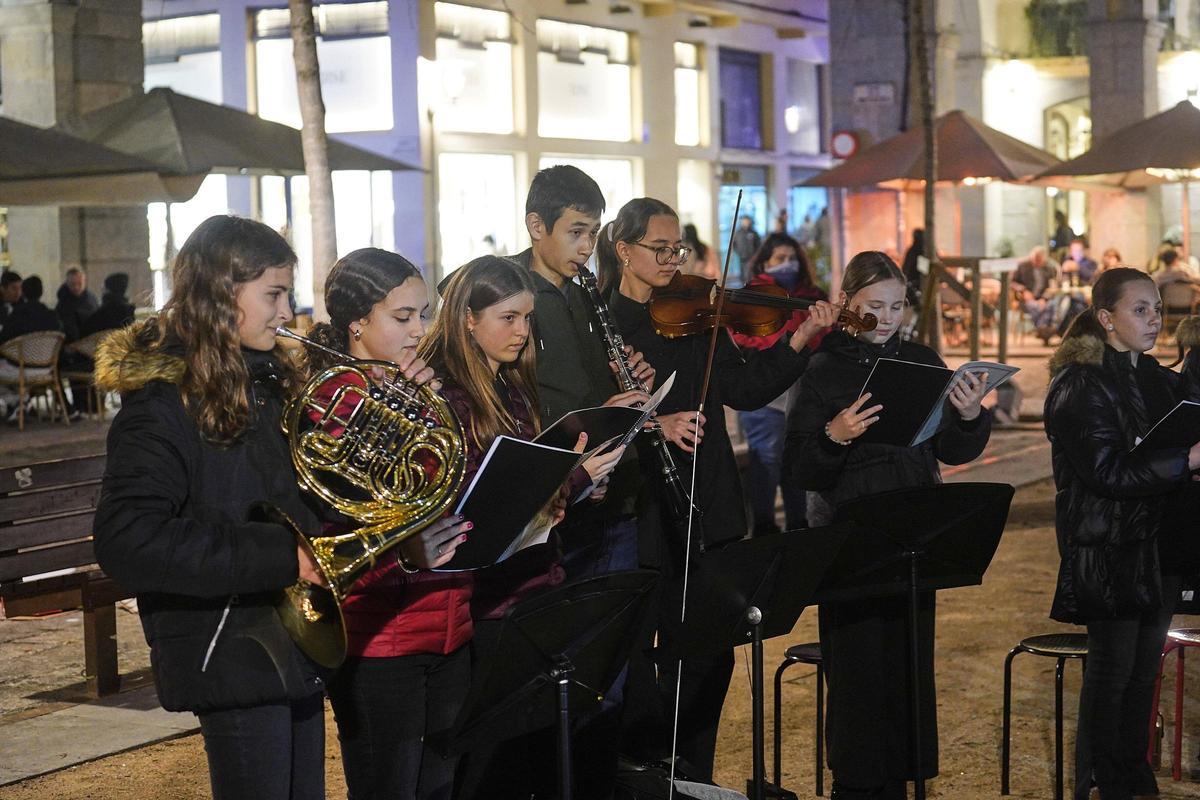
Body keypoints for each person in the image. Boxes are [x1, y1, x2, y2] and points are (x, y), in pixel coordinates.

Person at [91, 215, 342, 800]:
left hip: (289, 638)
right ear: (222, 294)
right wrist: (283, 556)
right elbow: (127, 539)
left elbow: (291, 501)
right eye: (273, 295)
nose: (287, 313)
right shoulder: (161, 404)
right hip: (228, 647)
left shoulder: (265, 382)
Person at [598, 197, 837, 779]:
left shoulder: (700, 314)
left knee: (709, 651)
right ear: (623, 250)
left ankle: (694, 773)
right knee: (637, 653)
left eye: (677, 249)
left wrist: (800, 339)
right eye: (659, 248)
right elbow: (594, 417)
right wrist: (653, 422)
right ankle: (646, 768)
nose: (672, 260)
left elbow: (745, 389)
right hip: (641, 506)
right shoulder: (601, 326)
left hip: (709, 500)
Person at [783, 251, 991, 800]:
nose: (889, 317)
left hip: (915, 532)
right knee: (857, 672)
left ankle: (902, 780)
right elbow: (799, 468)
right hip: (851, 540)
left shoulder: (921, 360)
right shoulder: (823, 369)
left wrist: (970, 415)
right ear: (847, 301)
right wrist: (834, 435)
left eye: (898, 305)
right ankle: (856, 785)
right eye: (876, 305)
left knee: (908, 668)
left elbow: (952, 449)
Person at [432, 255, 625, 800]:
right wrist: (572, 480)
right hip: (490, 599)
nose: (522, 332)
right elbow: (482, 506)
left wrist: (577, 486)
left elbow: (530, 494)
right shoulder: (452, 398)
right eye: (508, 318)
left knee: (533, 755)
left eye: (527, 318)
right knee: (495, 766)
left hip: (535, 584)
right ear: (468, 320)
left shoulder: (512, 386)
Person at [303, 247, 473, 800]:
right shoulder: (328, 403)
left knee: (439, 787)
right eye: (403, 317)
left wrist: (429, 405)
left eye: (423, 315)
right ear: (356, 322)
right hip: (380, 634)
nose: (419, 330)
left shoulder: (419, 389)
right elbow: (337, 519)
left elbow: (445, 484)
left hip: (448, 618)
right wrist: (402, 552)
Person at [1043, 267, 1200, 800]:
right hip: (1106, 546)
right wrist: (1185, 461)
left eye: (1157, 308)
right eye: (1140, 310)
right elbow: (1106, 473)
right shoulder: (1080, 384)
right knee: (1112, 672)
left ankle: (1133, 777)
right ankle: (1100, 780)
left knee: (1143, 672)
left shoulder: (1153, 376)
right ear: (1106, 319)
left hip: (1157, 543)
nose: (1154, 319)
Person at [733, 232, 828, 534]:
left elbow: (827, 338)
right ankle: (764, 526)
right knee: (766, 461)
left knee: (796, 461)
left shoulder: (812, 296)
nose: (788, 264)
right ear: (764, 263)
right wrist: (790, 341)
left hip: (803, 391)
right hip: (765, 393)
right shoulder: (752, 296)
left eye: (792, 259)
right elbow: (743, 339)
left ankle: (798, 525)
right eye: (780, 258)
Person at [1012, 246, 1062, 343]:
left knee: (1053, 305)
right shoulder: (1022, 267)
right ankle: (1044, 330)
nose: (1036, 262)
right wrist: (1024, 290)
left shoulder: (1049, 269)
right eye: (1035, 259)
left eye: (1039, 260)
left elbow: (1052, 287)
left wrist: (1044, 299)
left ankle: (1040, 329)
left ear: (1044, 260)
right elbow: (1013, 283)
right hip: (1026, 299)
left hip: (1043, 299)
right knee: (1037, 307)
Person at [55, 266, 98, 343]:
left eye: (79, 284)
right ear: (67, 283)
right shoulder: (63, 303)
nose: (76, 287)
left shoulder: (92, 298)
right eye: (72, 284)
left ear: (84, 282)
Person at [732, 214, 762, 284]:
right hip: (742, 257)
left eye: (747, 221)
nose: (746, 222)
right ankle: (743, 285)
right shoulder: (738, 233)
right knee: (743, 274)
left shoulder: (754, 233)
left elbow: (758, 245)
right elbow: (734, 244)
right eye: (744, 221)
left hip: (751, 258)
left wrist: (755, 256)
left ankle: (748, 286)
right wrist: (738, 252)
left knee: (749, 275)